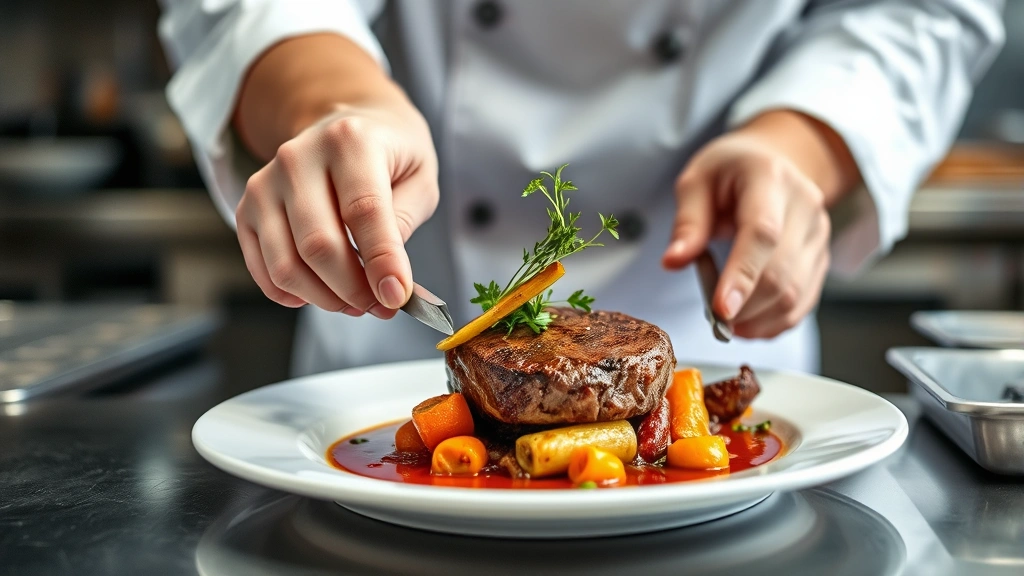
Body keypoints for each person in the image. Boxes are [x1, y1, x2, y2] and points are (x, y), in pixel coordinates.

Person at [158, 0, 1003, 376]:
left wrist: (799, 143)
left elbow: (923, 9)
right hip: (391, 368)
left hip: (706, 345)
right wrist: (336, 104)